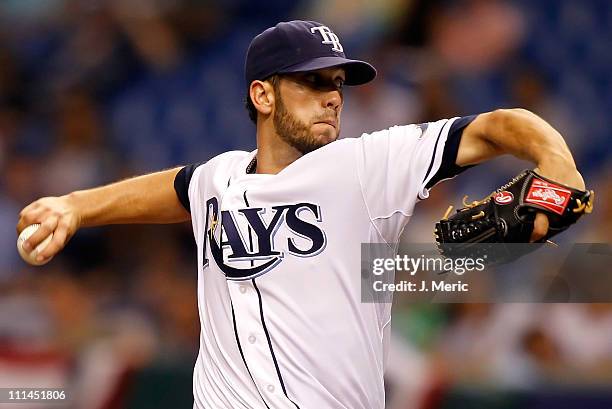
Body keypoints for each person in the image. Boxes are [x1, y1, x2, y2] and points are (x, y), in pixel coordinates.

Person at [17, 20, 585, 409]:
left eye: (337, 83)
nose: (333, 95)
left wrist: (556, 160)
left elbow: (496, 126)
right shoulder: (221, 177)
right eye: (313, 81)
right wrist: (75, 205)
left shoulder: (367, 165)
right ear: (263, 96)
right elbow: (176, 188)